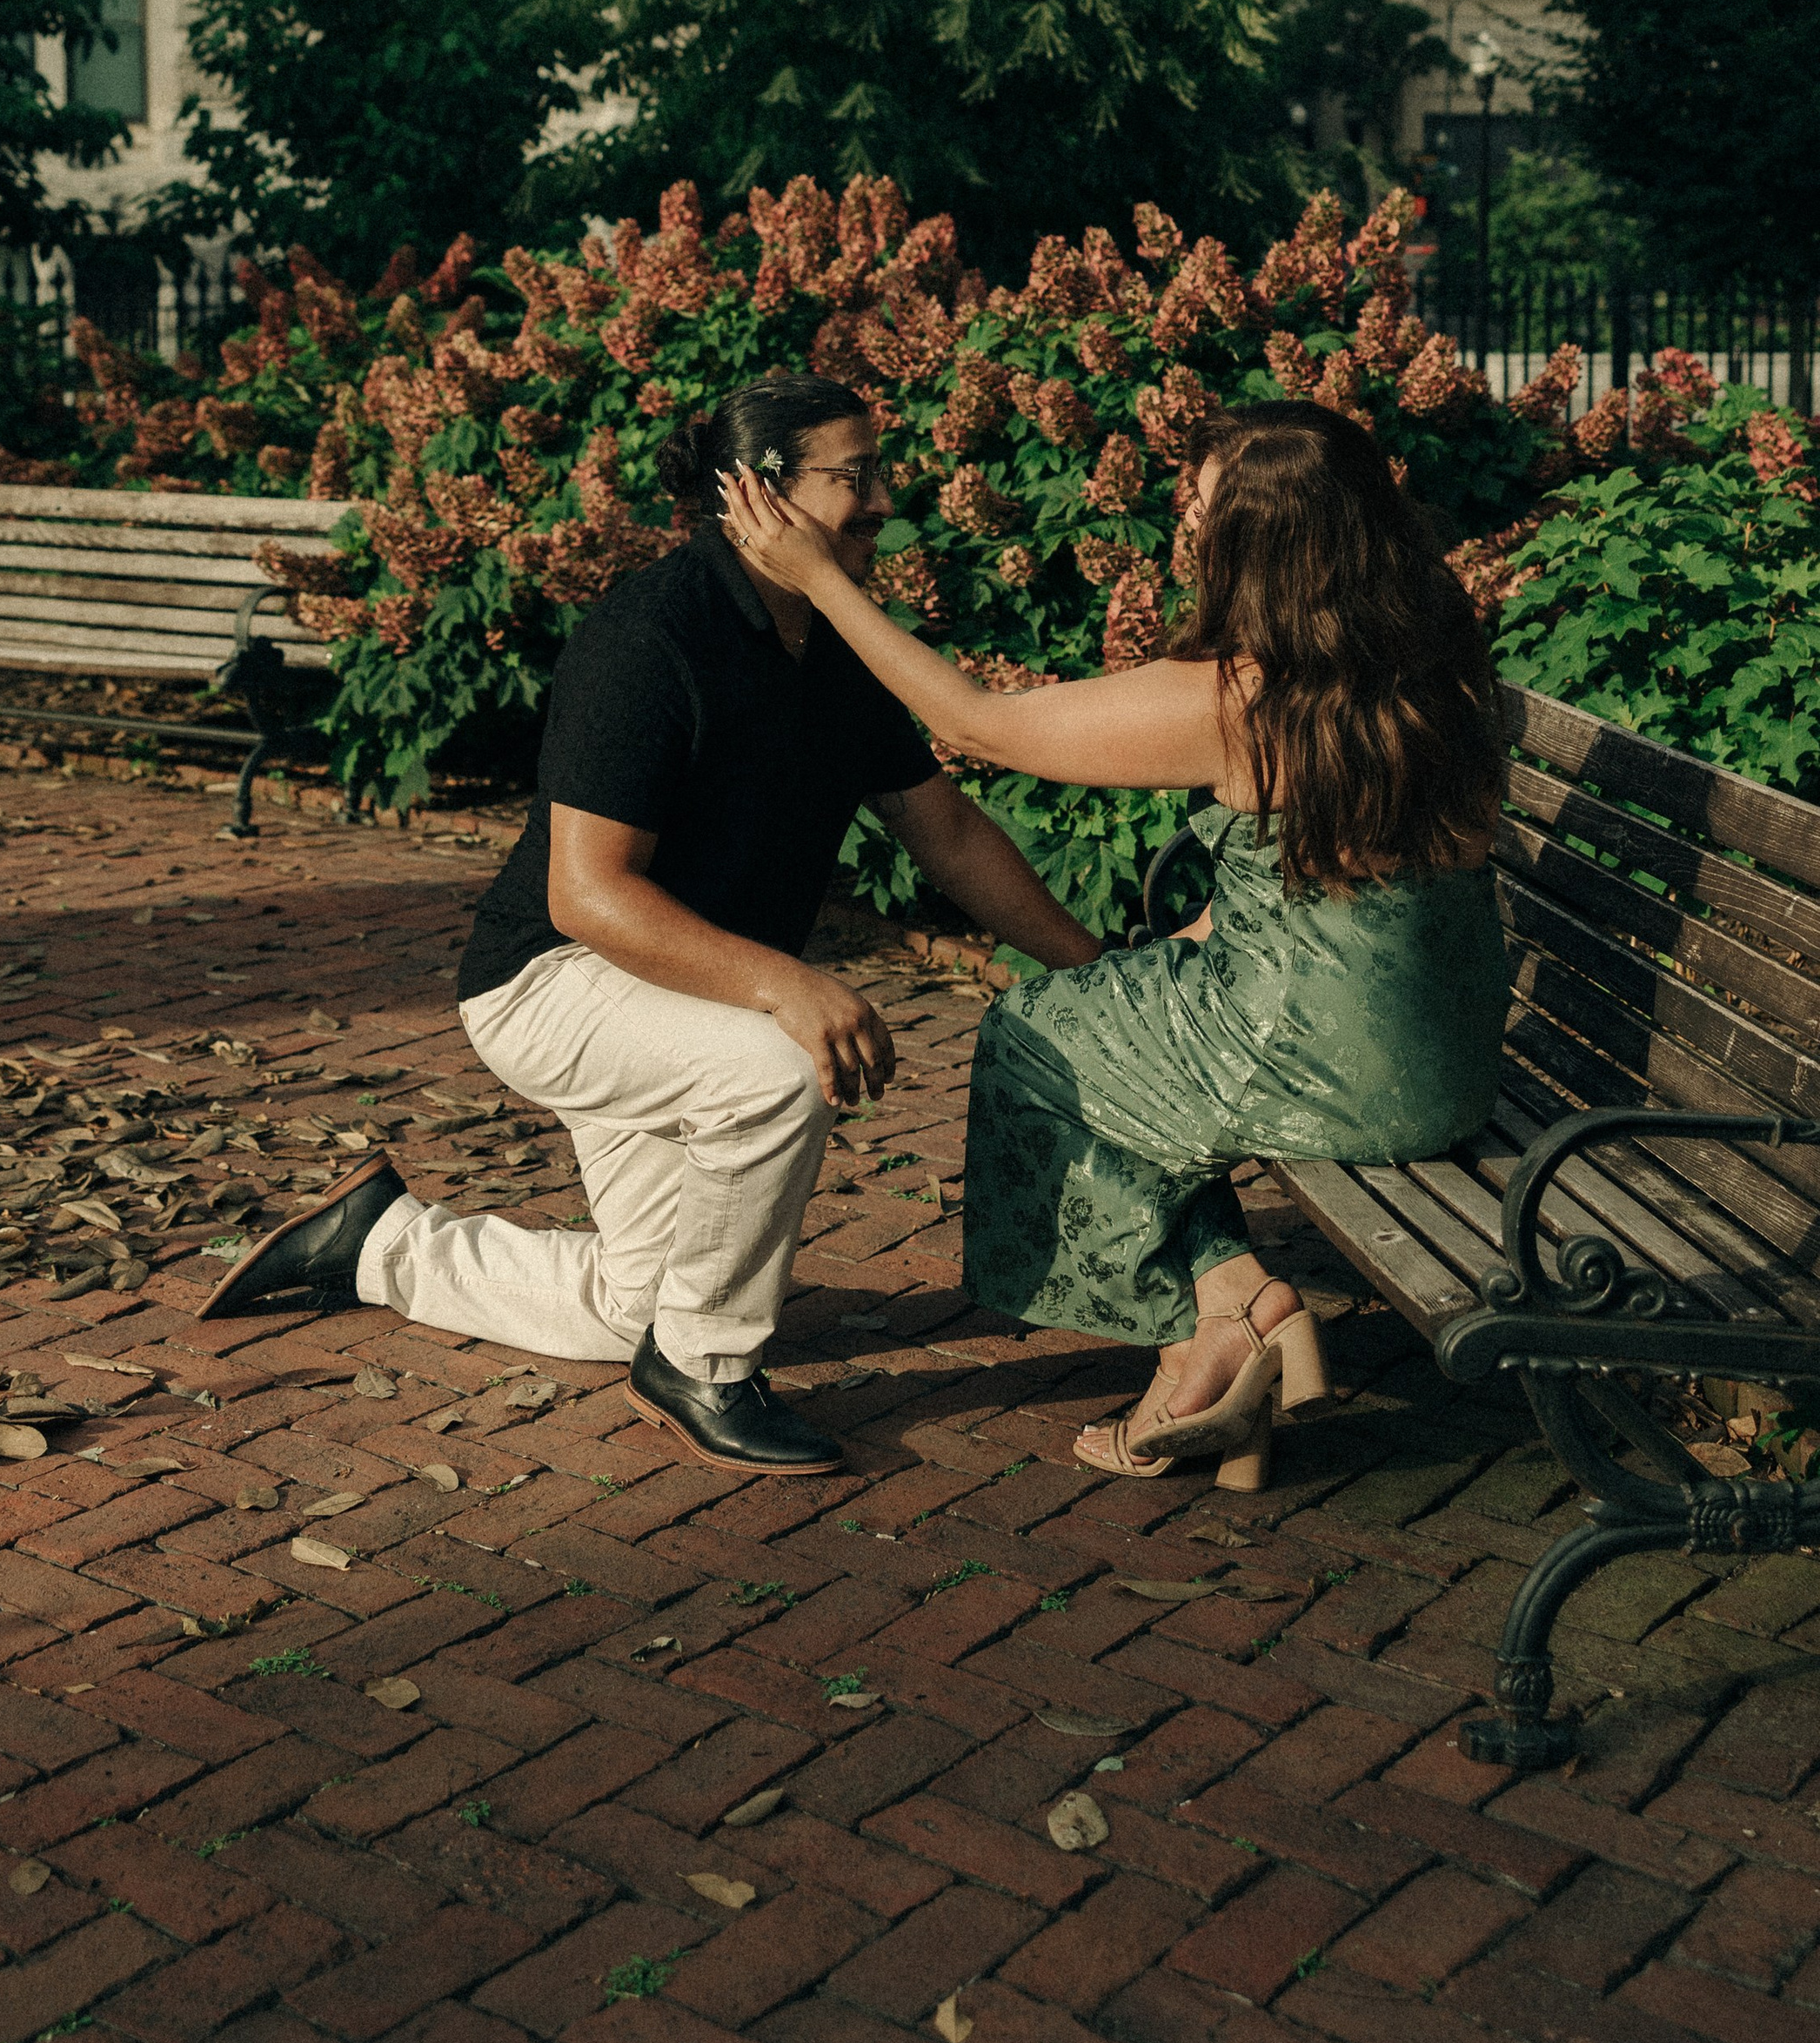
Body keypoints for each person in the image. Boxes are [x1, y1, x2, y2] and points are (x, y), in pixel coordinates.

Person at [203, 370, 1101, 1470]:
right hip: (554, 980)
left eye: (881, 472)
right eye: (854, 475)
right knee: (774, 1072)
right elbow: (588, 895)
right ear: (757, 495)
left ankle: (375, 1246)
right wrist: (783, 982)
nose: (882, 500)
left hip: (681, 987)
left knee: (637, 1303)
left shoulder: (833, 641)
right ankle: (706, 1368)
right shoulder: (648, 633)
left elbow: (947, 835)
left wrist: (1094, 966)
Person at [720, 397, 1509, 1491]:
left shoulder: (1246, 699)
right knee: (1107, 1008)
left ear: (1260, 542)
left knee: (1035, 1041)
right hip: (1451, 1056)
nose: (1183, 517)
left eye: (1202, 505)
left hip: (1325, 1059)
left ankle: (1210, 1322)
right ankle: (1229, 1314)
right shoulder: (1434, 660)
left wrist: (822, 581)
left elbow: (979, 725)